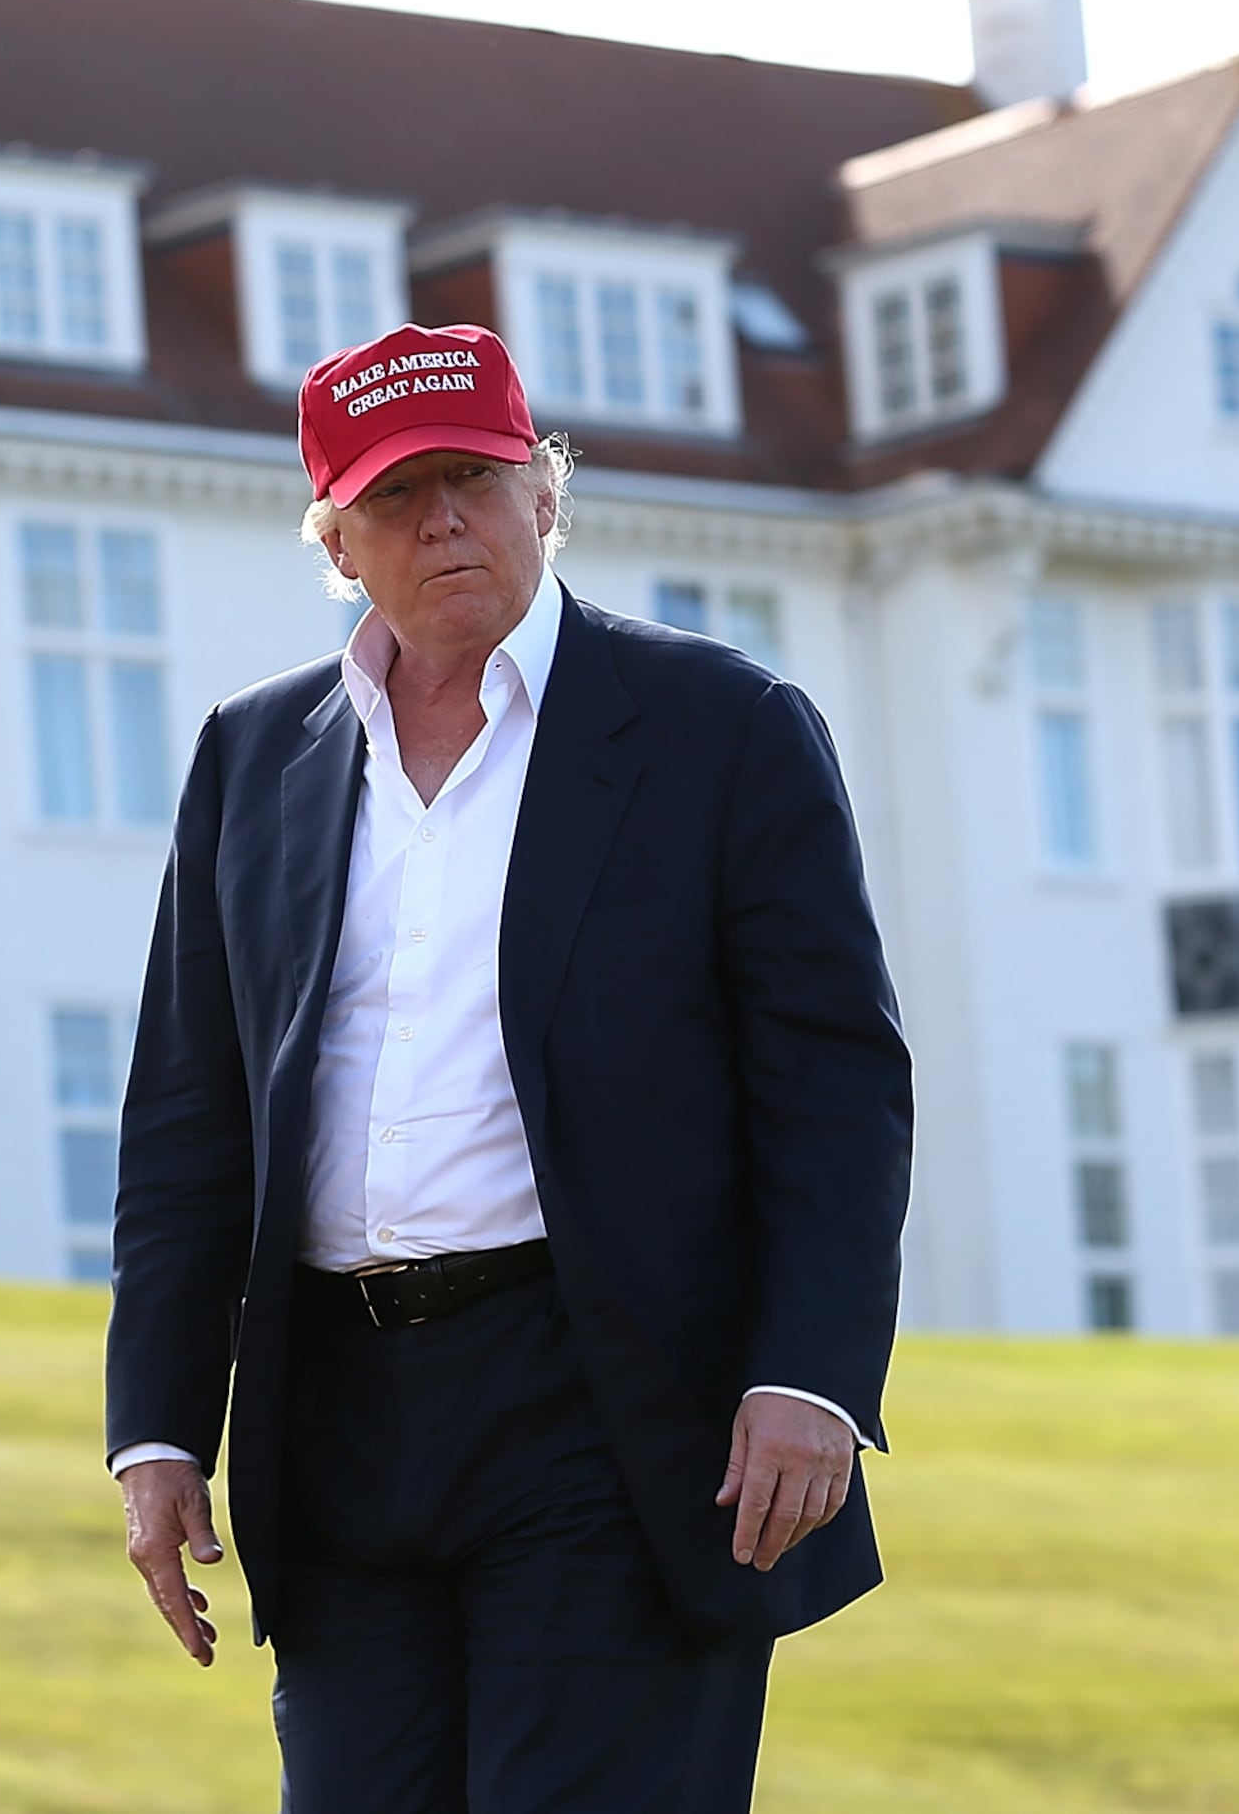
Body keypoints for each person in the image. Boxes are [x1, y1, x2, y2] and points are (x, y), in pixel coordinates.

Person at [104, 320, 912, 1813]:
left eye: (474, 480)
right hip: (334, 1422)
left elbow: (834, 1088)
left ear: (545, 493)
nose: (445, 523)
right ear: (336, 541)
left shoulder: (723, 729)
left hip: (608, 1405)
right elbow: (187, 1119)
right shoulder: (252, 756)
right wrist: (158, 1428)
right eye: (397, 497)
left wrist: (808, 1374)